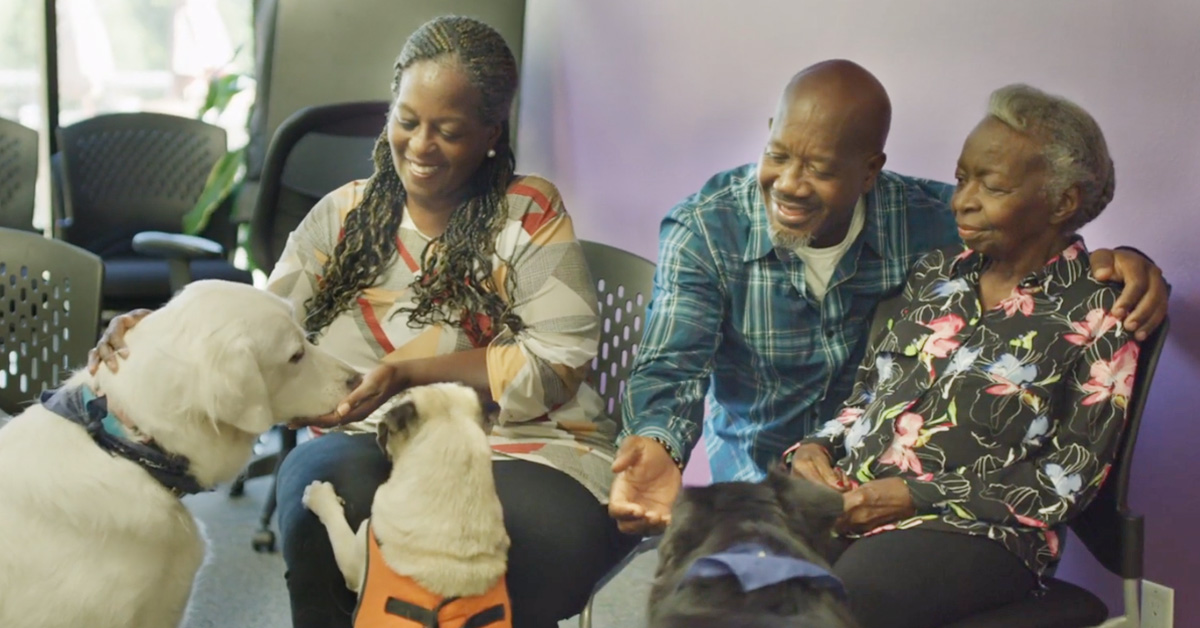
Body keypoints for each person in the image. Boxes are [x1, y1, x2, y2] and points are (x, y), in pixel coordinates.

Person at [90, 16, 636, 628]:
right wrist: (159, 328)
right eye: (406, 121)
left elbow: (558, 362)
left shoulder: (527, 213)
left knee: (526, 542)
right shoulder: (342, 215)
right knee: (325, 508)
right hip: (366, 433)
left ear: (490, 133)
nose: (421, 146)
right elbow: (263, 324)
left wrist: (409, 372)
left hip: (525, 444)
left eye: (448, 130)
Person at [608, 60, 1168, 535]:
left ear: (870, 171)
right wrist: (661, 443)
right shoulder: (707, 229)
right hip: (762, 473)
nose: (789, 185)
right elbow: (673, 365)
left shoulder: (931, 221)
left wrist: (1125, 260)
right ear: (770, 130)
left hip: (900, 495)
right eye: (778, 154)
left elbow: (1034, 220)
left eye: (821, 170)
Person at [782, 82, 1141, 627]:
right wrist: (815, 448)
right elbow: (867, 399)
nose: (961, 200)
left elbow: (1066, 479)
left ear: (1062, 202)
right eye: (961, 178)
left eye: (991, 186)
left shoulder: (1101, 313)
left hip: (974, 531)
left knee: (831, 606)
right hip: (849, 502)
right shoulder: (937, 274)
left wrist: (913, 495)